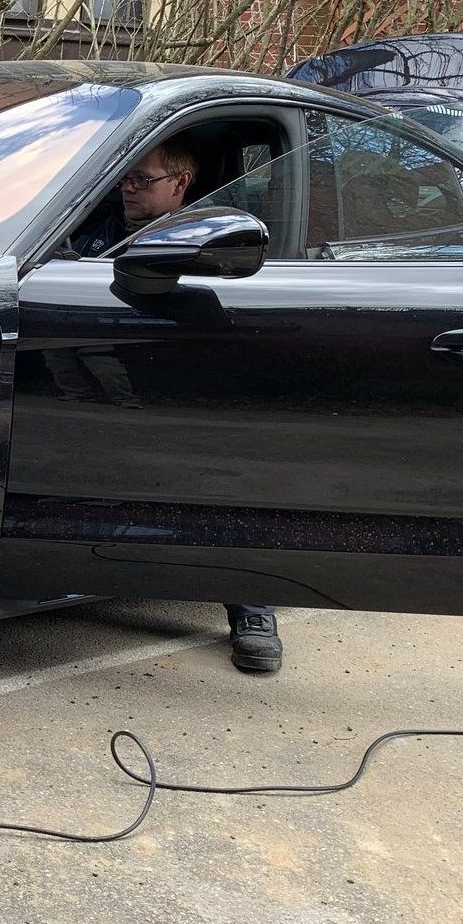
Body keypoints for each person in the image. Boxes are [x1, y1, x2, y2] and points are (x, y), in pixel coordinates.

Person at [68, 135, 286, 673]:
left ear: (180, 184)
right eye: (124, 179)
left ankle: (252, 603)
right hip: (99, 387)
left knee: (225, 472)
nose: (128, 189)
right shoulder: (95, 234)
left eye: (142, 180)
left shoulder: (209, 238)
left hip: (183, 389)